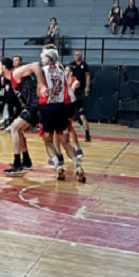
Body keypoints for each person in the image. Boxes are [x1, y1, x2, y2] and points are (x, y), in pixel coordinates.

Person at [29, 46, 85, 182]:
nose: (42, 59)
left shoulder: (42, 71)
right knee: (65, 142)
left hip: (46, 108)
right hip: (61, 107)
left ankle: (57, 165)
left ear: (49, 58)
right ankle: (77, 165)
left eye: (43, 57)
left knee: (48, 142)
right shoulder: (61, 72)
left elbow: (38, 91)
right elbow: (68, 93)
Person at [3, 54, 38, 176]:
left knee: (14, 128)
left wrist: (42, 84)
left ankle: (17, 164)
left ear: (3, 67)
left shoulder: (16, 72)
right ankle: (26, 161)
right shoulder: (12, 78)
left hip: (35, 105)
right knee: (19, 131)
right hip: (31, 106)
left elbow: (35, 65)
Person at [69, 51, 93, 146]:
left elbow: (87, 76)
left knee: (82, 116)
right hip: (71, 96)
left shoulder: (84, 65)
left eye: (78, 55)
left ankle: (87, 134)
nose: (76, 56)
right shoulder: (71, 65)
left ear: (81, 56)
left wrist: (87, 86)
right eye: (75, 55)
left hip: (78, 94)